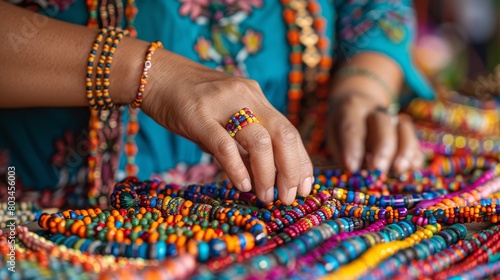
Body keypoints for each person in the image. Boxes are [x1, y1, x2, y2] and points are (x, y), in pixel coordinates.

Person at [0, 0, 432, 207]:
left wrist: (364, 88)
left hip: (274, 240)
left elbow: (376, 9)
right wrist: (145, 72)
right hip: (32, 226)